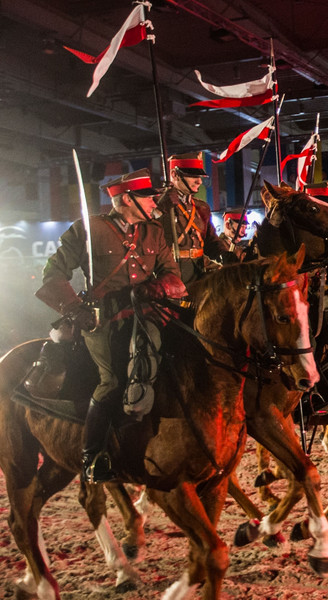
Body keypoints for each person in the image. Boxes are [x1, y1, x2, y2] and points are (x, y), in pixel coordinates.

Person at [35, 168, 185, 484]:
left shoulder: (154, 232)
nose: (154, 201)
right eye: (147, 196)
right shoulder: (89, 230)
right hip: (103, 320)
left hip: (147, 315)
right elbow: (53, 274)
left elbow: (173, 277)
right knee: (113, 379)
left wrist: (158, 288)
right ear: (127, 199)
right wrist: (76, 310)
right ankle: (93, 456)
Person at [157, 151, 222, 284]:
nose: (199, 181)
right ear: (175, 175)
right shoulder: (158, 203)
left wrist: (226, 254)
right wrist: (161, 207)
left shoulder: (201, 207)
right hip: (174, 271)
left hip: (199, 268)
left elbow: (211, 241)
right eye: (193, 176)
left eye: (200, 176)